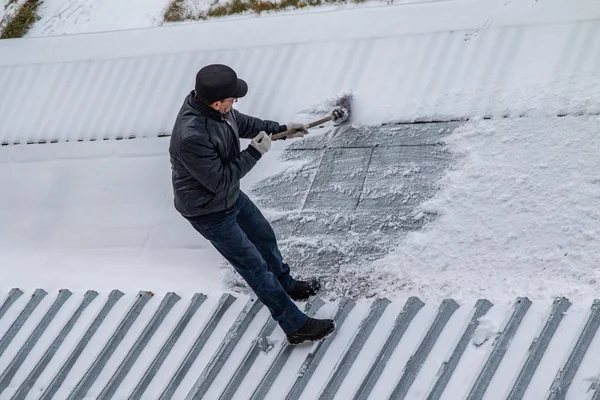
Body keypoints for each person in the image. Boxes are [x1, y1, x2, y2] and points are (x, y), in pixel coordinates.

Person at [169, 64, 335, 344]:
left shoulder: (217, 109)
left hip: (228, 197)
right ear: (217, 102)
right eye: (233, 99)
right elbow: (220, 180)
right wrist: (255, 152)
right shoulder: (191, 136)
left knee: (264, 236)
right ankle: (295, 325)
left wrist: (281, 130)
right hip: (208, 211)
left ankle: (287, 285)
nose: (235, 103)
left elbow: (243, 124)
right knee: (254, 268)